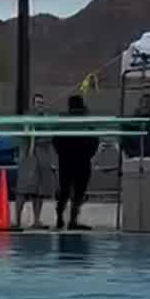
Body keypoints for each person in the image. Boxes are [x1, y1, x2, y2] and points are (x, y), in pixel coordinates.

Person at [54, 93, 98, 231]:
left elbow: (56, 140)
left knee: (64, 189)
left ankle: (60, 216)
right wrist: (88, 154)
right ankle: (72, 220)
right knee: (79, 191)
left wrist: (62, 154)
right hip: (82, 159)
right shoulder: (86, 120)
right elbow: (94, 140)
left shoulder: (62, 120)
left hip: (66, 160)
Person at [15, 92, 56, 229]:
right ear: (33, 104)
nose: (40, 105)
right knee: (23, 189)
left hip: (42, 158)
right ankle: (17, 220)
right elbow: (26, 137)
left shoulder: (46, 119)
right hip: (28, 157)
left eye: (42, 103)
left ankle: (37, 220)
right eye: (38, 103)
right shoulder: (28, 118)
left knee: (40, 191)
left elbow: (49, 137)